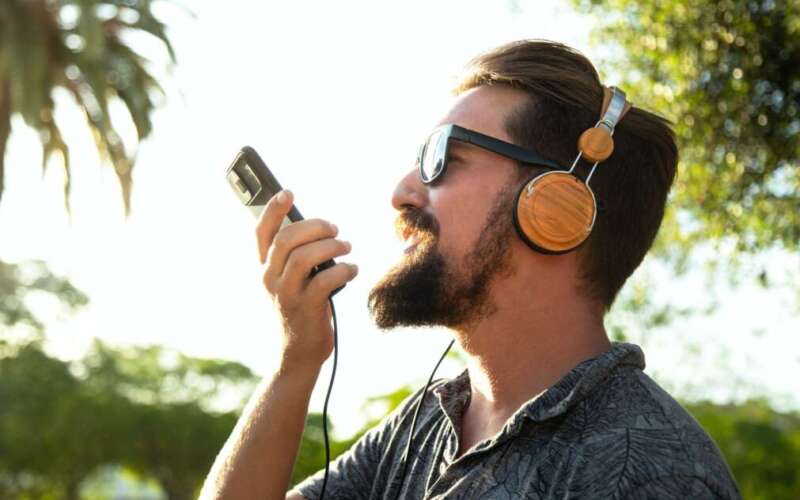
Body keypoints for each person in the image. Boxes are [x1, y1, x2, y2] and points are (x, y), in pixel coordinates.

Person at [199, 40, 741, 499]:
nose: (401, 193)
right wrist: (296, 362)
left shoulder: (648, 470)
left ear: (555, 206)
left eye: (441, 158)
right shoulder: (429, 422)